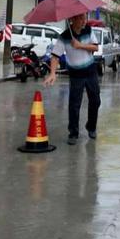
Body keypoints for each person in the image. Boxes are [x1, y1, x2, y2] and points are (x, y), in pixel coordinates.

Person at [44, 13, 101, 145]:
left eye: (84, 18)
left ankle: (91, 127)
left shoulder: (88, 30)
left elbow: (95, 47)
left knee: (96, 101)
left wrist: (80, 45)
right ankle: (73, 133)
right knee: (75, 104)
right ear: (72, 19)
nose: (83, 21)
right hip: (76, 74)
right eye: (81, 18)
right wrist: (52, 73)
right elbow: (55, 56)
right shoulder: (64, 36)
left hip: (91, 72)